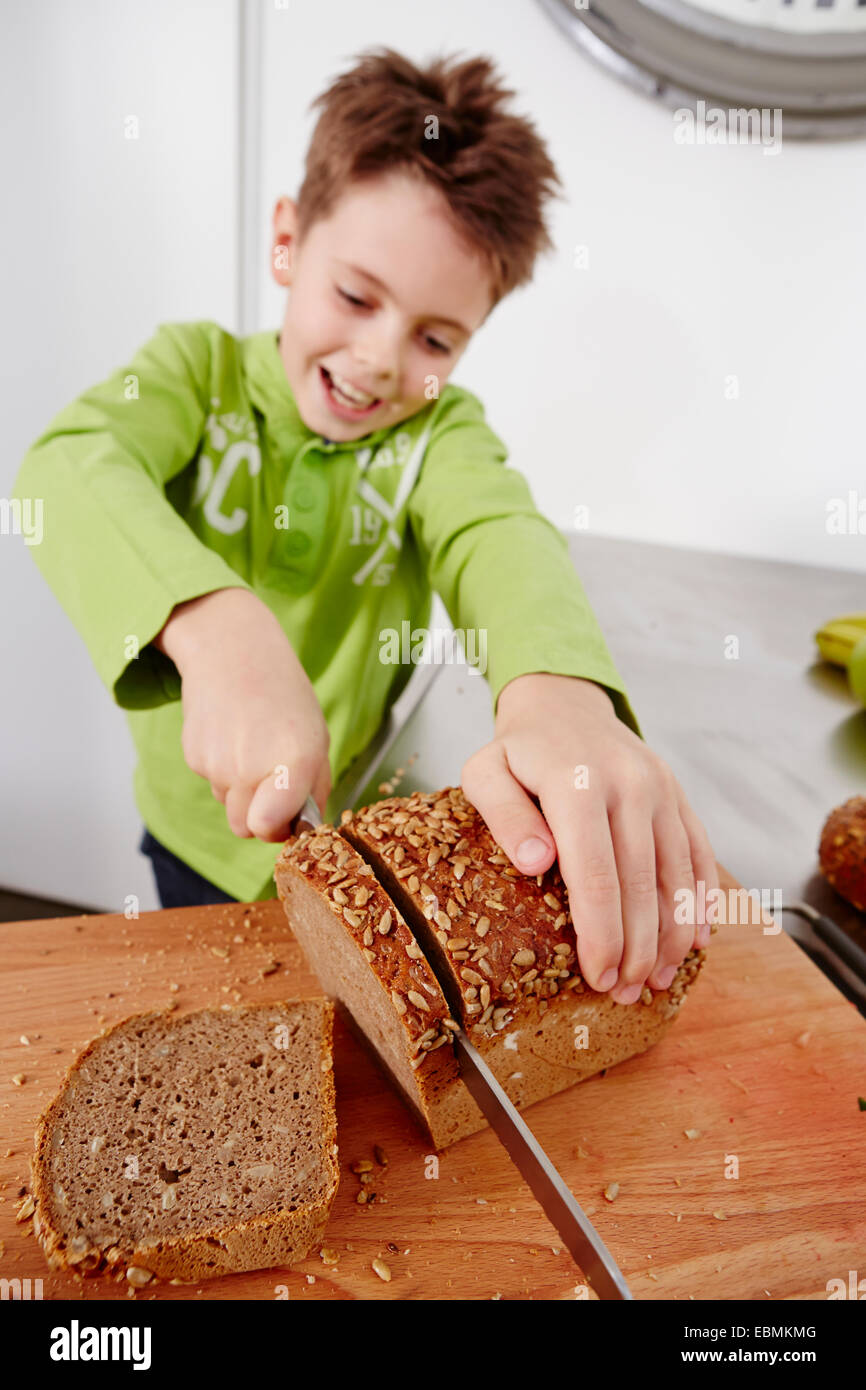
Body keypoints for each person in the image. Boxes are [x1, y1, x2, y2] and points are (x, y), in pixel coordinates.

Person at [13, 46, 718, 1005]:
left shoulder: (442, 436)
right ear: (287, 242)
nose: (384, 360)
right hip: (192, 838)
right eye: (354, 296)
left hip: (345, 841)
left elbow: (498, 535)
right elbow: (65, 466)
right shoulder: (192, 371)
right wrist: (217, 624)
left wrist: (559, 692)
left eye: (436, 338)